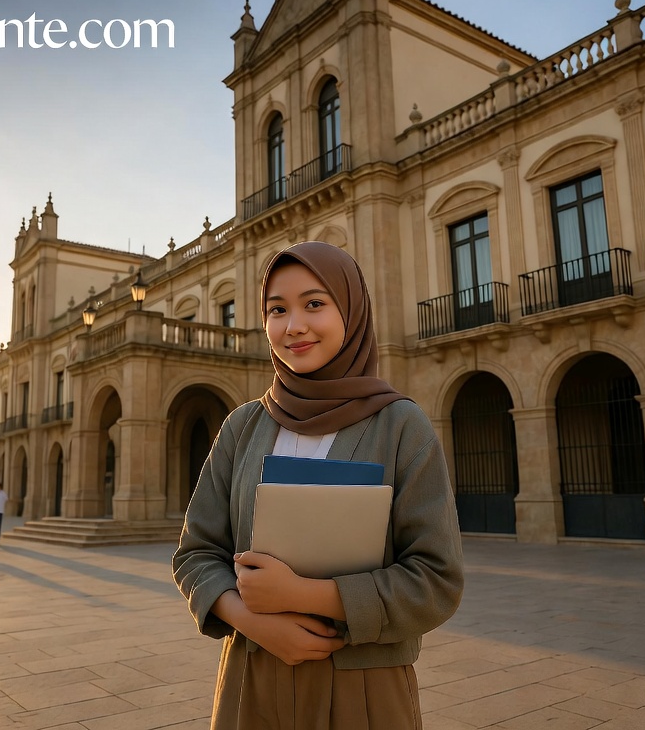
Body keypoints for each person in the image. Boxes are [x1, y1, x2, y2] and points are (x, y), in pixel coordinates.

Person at [172, 241, 464, 729]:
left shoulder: (399, 426)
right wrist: (251, 620)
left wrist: (305, 596)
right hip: (252, 682)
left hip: (364, 691)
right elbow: (195, 554)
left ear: (350, 309)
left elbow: (436, 581)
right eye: (277, 309)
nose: (294, 326)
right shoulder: (242, 427)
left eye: (315, 303)